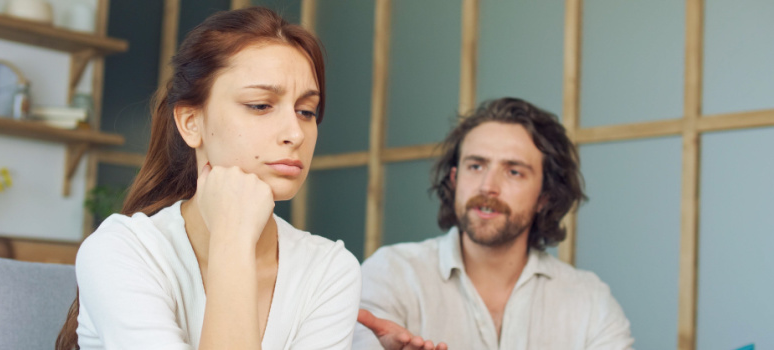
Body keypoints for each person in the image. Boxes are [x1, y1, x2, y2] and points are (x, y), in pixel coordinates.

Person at [55, 7, 361, 350]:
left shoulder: (330, 269)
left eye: (306, 111)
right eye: (260, 105)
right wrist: (233, 241)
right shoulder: (123, 251)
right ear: (190, 122)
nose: (296, 133)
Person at [353, 97, 634, 350]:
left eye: (513, 171)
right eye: (476, 166)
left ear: (544, 197)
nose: (488, 186)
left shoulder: (590, 302)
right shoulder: (391, 274)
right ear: (454, 180)